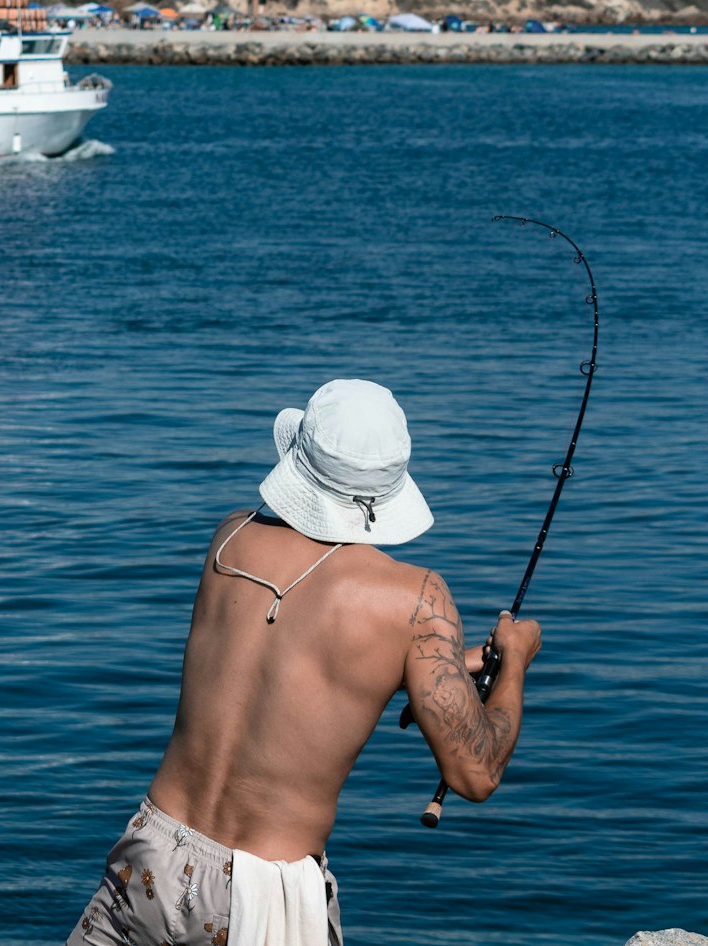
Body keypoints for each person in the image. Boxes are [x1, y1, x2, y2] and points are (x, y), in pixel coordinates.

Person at [67, 379, 541, 946]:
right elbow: (475, 774)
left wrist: (435, 671)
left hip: (151, 854)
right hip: (260, 894)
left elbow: (292, 661)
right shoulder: (414, 601)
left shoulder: (231, 538)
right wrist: (512, 661)